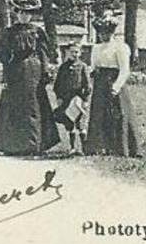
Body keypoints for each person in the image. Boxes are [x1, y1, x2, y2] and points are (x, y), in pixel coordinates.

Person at [0, 24, 60, 156]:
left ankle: (35, 144)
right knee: (14, 106)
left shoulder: (37, 31)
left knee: (34, 105)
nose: (24, 16)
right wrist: (5, 76)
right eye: (21, 12)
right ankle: (11, 145)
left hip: (34, 71)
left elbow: (43, 53)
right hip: (15, 70)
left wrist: (45, 72)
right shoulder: (10, 32)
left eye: (28, 13)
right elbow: (4, 56)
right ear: (17, 13)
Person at [84, 15, 139, 157]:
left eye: (107, 32)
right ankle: (98, 147)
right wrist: (86, 78)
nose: (104, 35)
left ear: (112, 32)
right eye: (101, 33)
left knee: (118, 114)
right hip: (100, 83)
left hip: (114, 81)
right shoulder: (96, 48)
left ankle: (120, 148)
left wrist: (116, 86)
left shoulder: (120, 47)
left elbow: (125, 70)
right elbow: (93, 66)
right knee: (99, 113)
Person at [52, 43, 92, 155]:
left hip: (78, 99)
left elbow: (87, 85)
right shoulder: (63, 67)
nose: (74, 54)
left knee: (81, 123)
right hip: (66, 99)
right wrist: (59, 98)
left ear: (80, 53)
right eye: (72, 52)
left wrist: (86, 100)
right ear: (67, 53)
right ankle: (72, 148)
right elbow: (57, 85)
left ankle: (84, 149)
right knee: (69, 123)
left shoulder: (83, 66)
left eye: (76, 52)